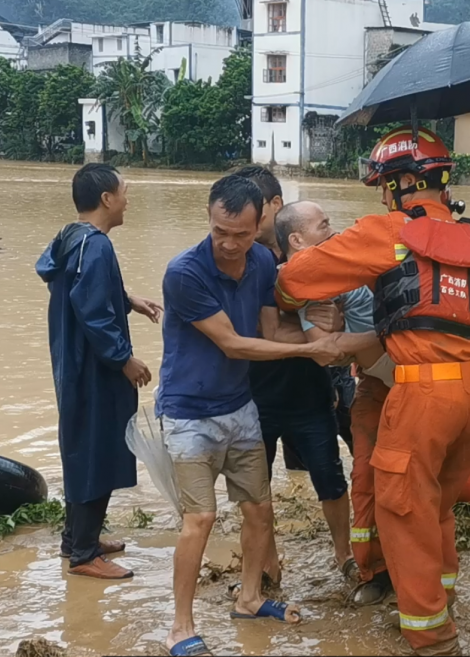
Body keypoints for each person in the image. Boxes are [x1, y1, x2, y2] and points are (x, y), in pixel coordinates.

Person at [276, 126, 470, 656]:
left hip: (421, 392)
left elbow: (295, 283)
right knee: (439, 505)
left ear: (400, 184)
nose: (382, 195)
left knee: (403, 508)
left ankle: (430, 636)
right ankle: (441, 595)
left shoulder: (386, 231)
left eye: (385, 185)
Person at [157, 175, 343, 657]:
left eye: (241, 233)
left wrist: (320, 332)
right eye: (221, 231)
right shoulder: (185, 273)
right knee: (199, 518)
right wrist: (310, 349)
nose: (230, 244)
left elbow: (271, 326)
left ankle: (251, 597)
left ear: (260, 221)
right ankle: (180, 626)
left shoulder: (262, 261)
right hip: (189, 414)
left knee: (259, 509)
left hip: (239, 408)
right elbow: (234, 343)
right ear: (210, 216)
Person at [36, 163, 161, 580]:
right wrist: (124, 359)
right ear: (107, 199)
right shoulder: (98, 246)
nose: (128, 198)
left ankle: (76, 537)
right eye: (124, 191)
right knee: (96, 450)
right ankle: (85, 554)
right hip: (94, 366)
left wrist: (129, 299)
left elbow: (81, 285)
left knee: (83, 446)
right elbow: (91, 311)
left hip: (73, 363)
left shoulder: (73, 237)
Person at [275, 200, 399, 605]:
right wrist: (391, 335)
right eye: (323, 224)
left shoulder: (340, 262)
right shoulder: (309, 284)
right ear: (296, 240)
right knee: (363, 478)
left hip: (396, 375)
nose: (333, 230)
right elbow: (325, 349)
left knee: (386, 481)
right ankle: (366, 565)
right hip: (382, 373)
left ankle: (383, 565)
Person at [233, 167, 354, 584]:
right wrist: (310, 333)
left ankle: (344, 555)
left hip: (310, 394)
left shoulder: (319, 263)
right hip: (258, 394)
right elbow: (249, 330)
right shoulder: (245, 263)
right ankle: (268, 564)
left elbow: (335, 327)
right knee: (256, 488)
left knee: (330, 479)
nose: (243, 225)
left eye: (251, 214)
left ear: (273, 208)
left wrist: (333, 322)